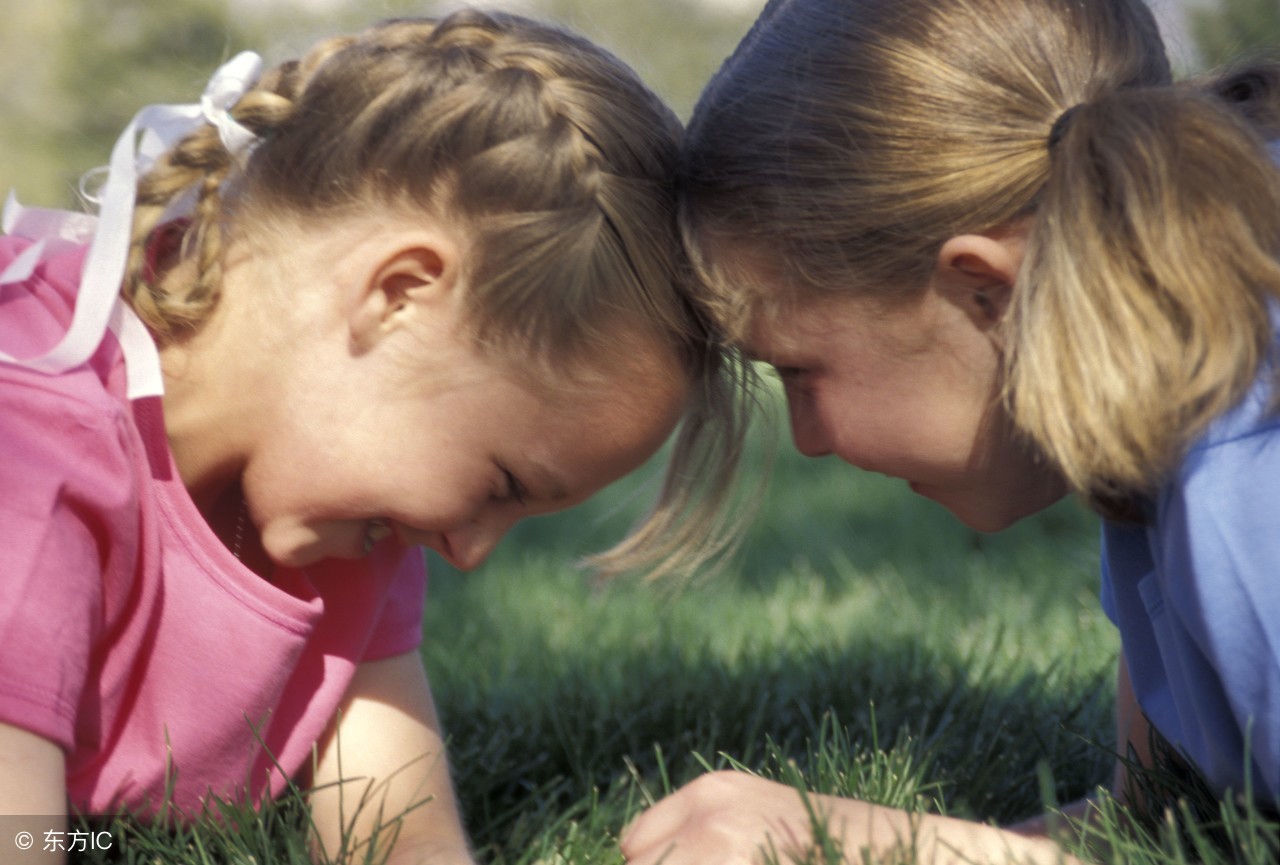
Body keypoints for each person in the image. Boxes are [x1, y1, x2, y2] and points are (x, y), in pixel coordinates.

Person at [0, 10, 746, 864]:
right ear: (399, 296)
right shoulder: (29, 448)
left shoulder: (335, 509)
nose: (468, 551)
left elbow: (399, 835)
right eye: (501, 482)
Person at [620, 0, 1280, 862]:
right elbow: (1157, 820)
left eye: (799, 371)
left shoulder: (1240, 480)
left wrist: (900, 846)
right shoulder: (1161, 437)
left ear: (983, 292)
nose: (810, 439)